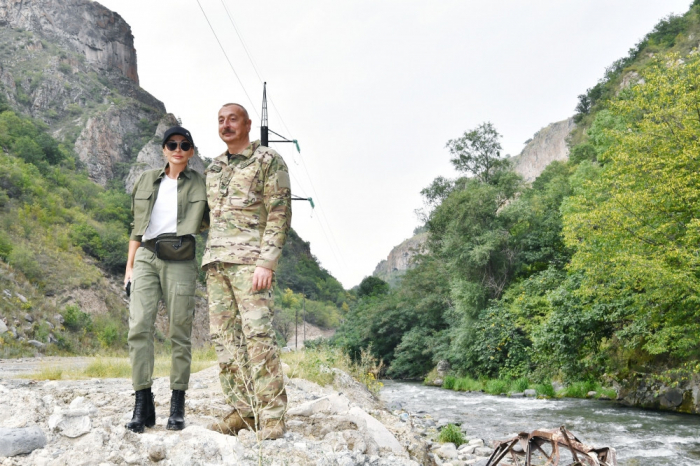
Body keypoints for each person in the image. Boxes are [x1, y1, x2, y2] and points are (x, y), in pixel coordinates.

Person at [203, 103, 292, 440]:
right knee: (225, 340)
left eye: (233, 119)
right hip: (216, 263)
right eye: (221, 120)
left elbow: (280, 211)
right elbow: (206, 216)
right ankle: (243, 411)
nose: (226, 125)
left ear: (248, 124)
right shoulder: (213, 168)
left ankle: (272, 416)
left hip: (250, 263)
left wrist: (267, 262)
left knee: (258, 337)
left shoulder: (267, 160)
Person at [123, 126, 209, 433]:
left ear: (191, 152)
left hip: (181, 258)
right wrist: (129, 266)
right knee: (139, 327)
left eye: (184, 145)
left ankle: (177, 406)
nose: (177, 148)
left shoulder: (202, 183)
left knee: (179, 332)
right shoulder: (146, 180)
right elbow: (136, 227)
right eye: (171, 144)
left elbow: (216, 219)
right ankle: (142, 404)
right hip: (146, 255)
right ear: (163, 149)